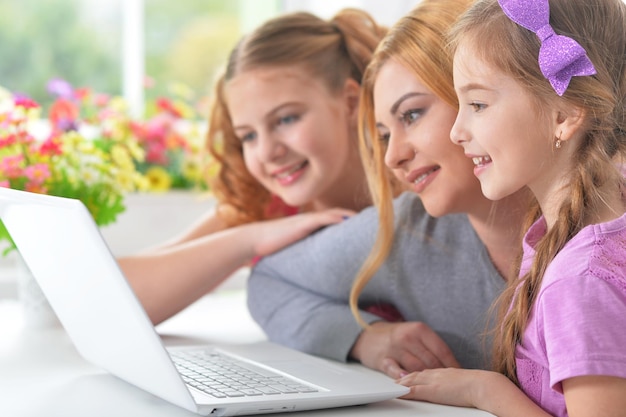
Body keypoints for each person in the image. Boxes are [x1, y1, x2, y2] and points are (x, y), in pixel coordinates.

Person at [247, 0, 530, 378]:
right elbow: (268, 282)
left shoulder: (604, 231)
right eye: (382, 135)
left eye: (412, 114)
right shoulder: (406, 234)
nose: (392, 156)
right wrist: (364, 338)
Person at [396, 0, 626, 416]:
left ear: (565, 114)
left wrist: (487, 392)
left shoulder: (579, 284)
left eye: (478, 105)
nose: (456, 131)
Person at [118, 8, 388, 325]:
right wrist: (249, 241)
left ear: (350, 102)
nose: (267, 152)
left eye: (286, 119)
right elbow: (111, 299)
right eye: (248, 136)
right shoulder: (269, 206)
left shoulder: (415, 190)